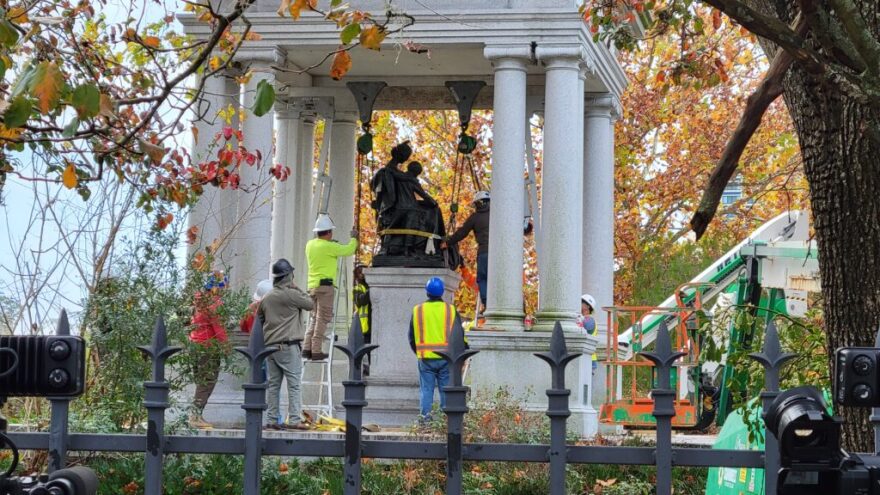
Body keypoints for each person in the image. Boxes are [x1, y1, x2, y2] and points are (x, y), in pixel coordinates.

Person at [258, 259, 314, 430]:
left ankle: (272, 419)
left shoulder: (266, 298)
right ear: (289, 276)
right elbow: (310, 304)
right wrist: (296, 287)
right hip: (288, 346)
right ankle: (295, 419)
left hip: (271, 348)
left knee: (274, 384)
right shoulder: (292, 294)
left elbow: (260, 319)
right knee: (294, 383)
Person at [304, 214, 358, 361]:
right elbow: (349, 250)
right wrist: (354, 238)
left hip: (312, 287)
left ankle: (306, 348)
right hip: (325, 287)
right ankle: (316, 350)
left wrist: (331, 245)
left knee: (314, 318)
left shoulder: (310, 245)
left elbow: (324, 249)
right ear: (328, 232)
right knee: (324, 318)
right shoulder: (330, 246)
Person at [408, 277, 458, 422]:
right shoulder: (451, 310)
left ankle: (425, 421)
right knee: (445, 391)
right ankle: (444, 422)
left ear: (427, 292)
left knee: (426, 390)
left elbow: (411, 336)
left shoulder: (418, 310)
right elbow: (459, 335)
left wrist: (419, 351)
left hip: (425, 358)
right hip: (446, 358)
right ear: (442, 292)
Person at [188, 271, 229, 429]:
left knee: (201, 382)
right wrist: (226, 347)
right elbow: (218, 328)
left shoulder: (198, 301)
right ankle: (195, 416)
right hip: (208, 347)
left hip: (196, 345)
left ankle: (195, 414)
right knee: (207, 382)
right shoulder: (214, 303)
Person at [446, 191, 491, 309]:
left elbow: (462, 232)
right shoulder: (498, 216)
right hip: (500, 254)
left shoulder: (475, 218)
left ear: (477, 204)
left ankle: (486, 303)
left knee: (483, 278)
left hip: (484, 253)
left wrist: (447, 242)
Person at [352, 263, 372, 375]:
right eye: (360, 272)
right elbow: (360, 301)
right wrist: (370, 290)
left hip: (373, 324)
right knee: (365, 349)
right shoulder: (358, 288)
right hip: (364, 326)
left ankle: (369, 367)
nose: (363, 275)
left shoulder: (369, 286)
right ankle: (365, 368)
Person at [577, 293, 599, 370]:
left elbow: (584, 331)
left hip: (589, 359)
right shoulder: (583, 318)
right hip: (585, 357)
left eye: (581, 302)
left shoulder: (590, 320)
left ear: (588, 306)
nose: (579, 304)